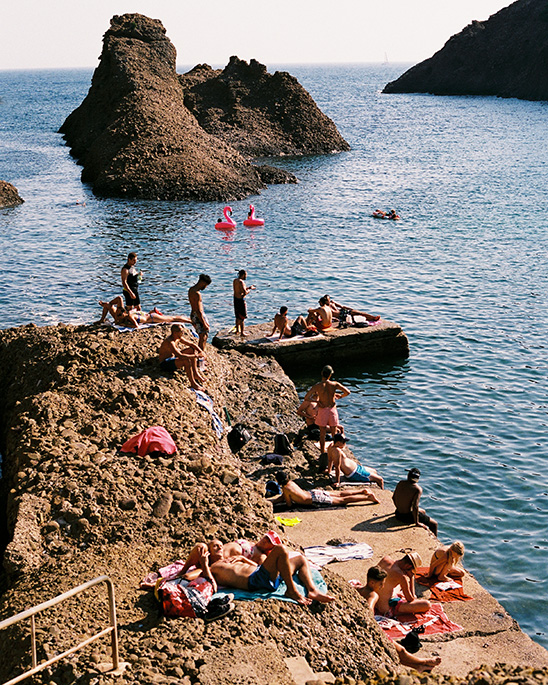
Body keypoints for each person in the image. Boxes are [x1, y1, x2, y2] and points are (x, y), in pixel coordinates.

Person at [357, 566, 441, 673]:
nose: (382, 587)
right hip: (370, 629)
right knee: (400, 650)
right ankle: (424, 662)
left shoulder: (358, 589)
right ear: (372, 583)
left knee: (395, 651)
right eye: (381, 584)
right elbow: (368, 609)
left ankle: (420, 666)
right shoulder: (373, 595)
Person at [208, 543, 335, 606]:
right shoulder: (212, 567)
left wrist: (244, 559)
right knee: (280, 549)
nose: (220, 547)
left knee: (300, 559)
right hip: (255, 580)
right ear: (208, 553)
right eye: (215, 546)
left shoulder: (232, 560)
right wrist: (203, 562)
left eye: (221, 545)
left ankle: (312, 590)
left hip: (264, 575)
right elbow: (189, 575)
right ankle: (291, 591)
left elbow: (255, 566)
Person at [304, 365, 350, 455]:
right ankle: (334, 451)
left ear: (322, 374)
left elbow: (307, 397)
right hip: (332, 410)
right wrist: (340, 396)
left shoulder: (317, 386)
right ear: (330, 375)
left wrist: (317, 400)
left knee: (322, 433)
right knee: (334, 432)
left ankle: (322, 453)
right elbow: (347, 392)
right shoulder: (334, 384)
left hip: (322, 410)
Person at [274, 470, 379, 507]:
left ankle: (367, 498)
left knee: (342, 501)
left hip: (314, 500)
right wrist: (272, 502)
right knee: (339, 494)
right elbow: (283, 497)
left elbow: (288, 504)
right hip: (313, 493)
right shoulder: (290, 483)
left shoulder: (285, 488)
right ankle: (361, 491)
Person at [159, 324, 206, 389]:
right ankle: (193, 383)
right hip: (165, 363)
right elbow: (180, 355)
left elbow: (192, 344)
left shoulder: (178, 338)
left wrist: (201, 352)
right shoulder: (170, 342)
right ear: (175, 333)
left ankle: (195, 374)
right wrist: (196, 356)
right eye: (181, 331)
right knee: (186, 360)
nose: (183, 332)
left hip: (173, 358)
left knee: (191, 350)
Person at [392, 468, 438, 536]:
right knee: (434, 524)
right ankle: (435, 541)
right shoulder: (417, 489)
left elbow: (393, 498)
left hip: (398, 514)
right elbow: (415, 507)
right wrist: (417, 523)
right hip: (407, 517)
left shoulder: (401, 483)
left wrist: (400, 509)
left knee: (422, 511)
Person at [188, 274, 212, 350]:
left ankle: (201, 354)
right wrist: (204, 323)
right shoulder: (197, 294)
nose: (205, 287)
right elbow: (198, 310)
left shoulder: (191, 290)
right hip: (198, 316)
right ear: (202, 282)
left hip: (193, 314)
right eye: (206, 285)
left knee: (203, 336)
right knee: (203, 336)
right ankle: (200, 355)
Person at [233, 270, 256, 337]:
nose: (246, 276)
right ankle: (242, 333)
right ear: (243, 275)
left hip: (235, 299)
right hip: (240, 300)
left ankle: (237, 330)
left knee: (237, 316)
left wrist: (249, 287)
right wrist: (249, 290)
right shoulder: (241, 282)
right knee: (242, 317)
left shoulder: (235, 280)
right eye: (245, 275)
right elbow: (244, 292)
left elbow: (240, 289)